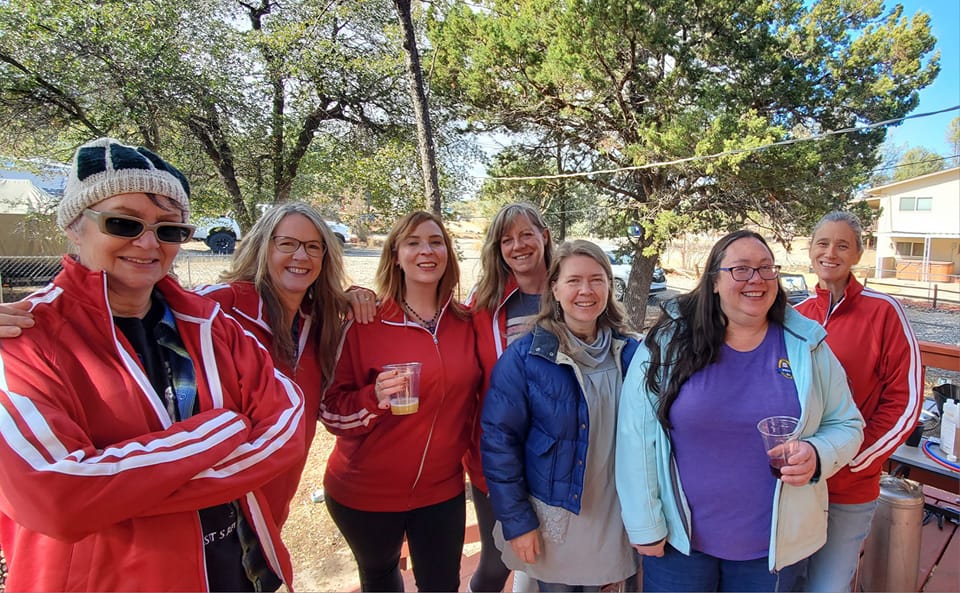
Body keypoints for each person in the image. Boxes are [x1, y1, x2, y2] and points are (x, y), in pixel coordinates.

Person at [0, 137, 305, 591]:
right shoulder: (23, 338)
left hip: (238, 570)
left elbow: (286, 426)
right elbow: (57, 498)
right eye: (123, 223)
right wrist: (224, 428)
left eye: (169, 230)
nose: (147, 243)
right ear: (74, 226)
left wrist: (116, 492)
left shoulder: (208, 323)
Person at [615, 229, 865, 592]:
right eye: (741, 269)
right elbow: (634, 436)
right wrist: (644, 524)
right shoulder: (667, 343)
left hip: (772, 551)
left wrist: (817, 453)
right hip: (678, 543)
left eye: (766, 269)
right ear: (714, 281)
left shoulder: (807, 346)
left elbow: (847, 424)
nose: (756, 280)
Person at [318, 210, 482, 592]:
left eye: (435, 241)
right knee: (381, 579)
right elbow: (329, 410)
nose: (426, 251)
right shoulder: (365, 323)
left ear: (448, 254)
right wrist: (373, 398)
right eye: (413, 242)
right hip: (364, 493)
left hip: (442, 490)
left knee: (442, 586)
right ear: (395, 255)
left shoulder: (467, 321)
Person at [481, 239, 640, 592]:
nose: (586, 290)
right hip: (554, 523)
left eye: (597, 279)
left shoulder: (632, 355)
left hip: (616, 522)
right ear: (554, 288)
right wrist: (517, 522)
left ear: (610, 287)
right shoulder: (524, 359)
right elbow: (499, 443)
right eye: (573, 281)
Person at [196, 201, 359, 526]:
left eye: (314, 247)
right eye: (287, 243)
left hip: (273, 508)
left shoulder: (320, 324)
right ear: (262, 247)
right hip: (209, 509)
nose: (302, 256)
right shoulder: (219, 308)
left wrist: (359, 295)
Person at [795, 211, 922, 592]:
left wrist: (855, 458)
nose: (830, 252)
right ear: (811, 250)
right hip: (796, 486)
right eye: (822, 243)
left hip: (850, 485)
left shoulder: (884, 312)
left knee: (827, 585)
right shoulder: (796, 316)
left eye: (842, 245)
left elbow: (906, 399)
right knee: (786, 582)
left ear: (858, 255)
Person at [466, 202, 553, 592]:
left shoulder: (570, 289)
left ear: (544, 237)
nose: (518, 246)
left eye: (526, 235)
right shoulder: (484, 302)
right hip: (498, 456)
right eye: (507, 239)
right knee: (500, 558)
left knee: (547, 557)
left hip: (558, 455)